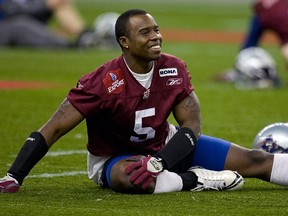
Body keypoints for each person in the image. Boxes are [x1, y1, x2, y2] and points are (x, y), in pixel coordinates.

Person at [1, 9, 288, 195]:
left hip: (165, 145)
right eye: (145, 32)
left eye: (156, 29)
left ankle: (178, 173)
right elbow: (53, 128)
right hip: (115, 157)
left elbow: (192, 126)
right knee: (135, 179)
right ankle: (196, 180)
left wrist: (161, 160)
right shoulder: (101, 81)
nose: (156, 37)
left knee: (255, 159)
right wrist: (15, 175)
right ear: (124, 42)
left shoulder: (173, 68)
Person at [216, 0, 288, 83]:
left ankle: (240, 71)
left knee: (248, 48)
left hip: (266, 12)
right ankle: (243, 71)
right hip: (276, 12)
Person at [0, 0, 97, 48]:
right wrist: (46, 5)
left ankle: (86, 35)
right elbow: (11, 11)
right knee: (21, 25)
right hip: (5, 25)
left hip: (28, 20)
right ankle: (69, 45)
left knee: (60, 4)